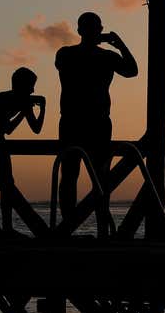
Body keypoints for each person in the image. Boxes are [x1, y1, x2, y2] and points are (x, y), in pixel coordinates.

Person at [53, 12, 137, 232]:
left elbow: (132, 72)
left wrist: (118, 45)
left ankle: (75, 228)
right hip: (82, 122)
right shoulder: (71, 54)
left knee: (88, 177)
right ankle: (75, 227)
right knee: (81, 176)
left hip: (88, 123)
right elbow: (131, 70)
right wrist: (119, 45)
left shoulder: (72, 54)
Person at [0, 66, 45, 233]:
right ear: (22, 85)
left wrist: (33, 110)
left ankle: (3, 227)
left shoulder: (16, 100)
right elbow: (14, 128)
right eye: (31, 86)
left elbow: (25, 128)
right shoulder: (3, 99)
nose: (33, 90)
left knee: (0, 185)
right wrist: (35, 110)